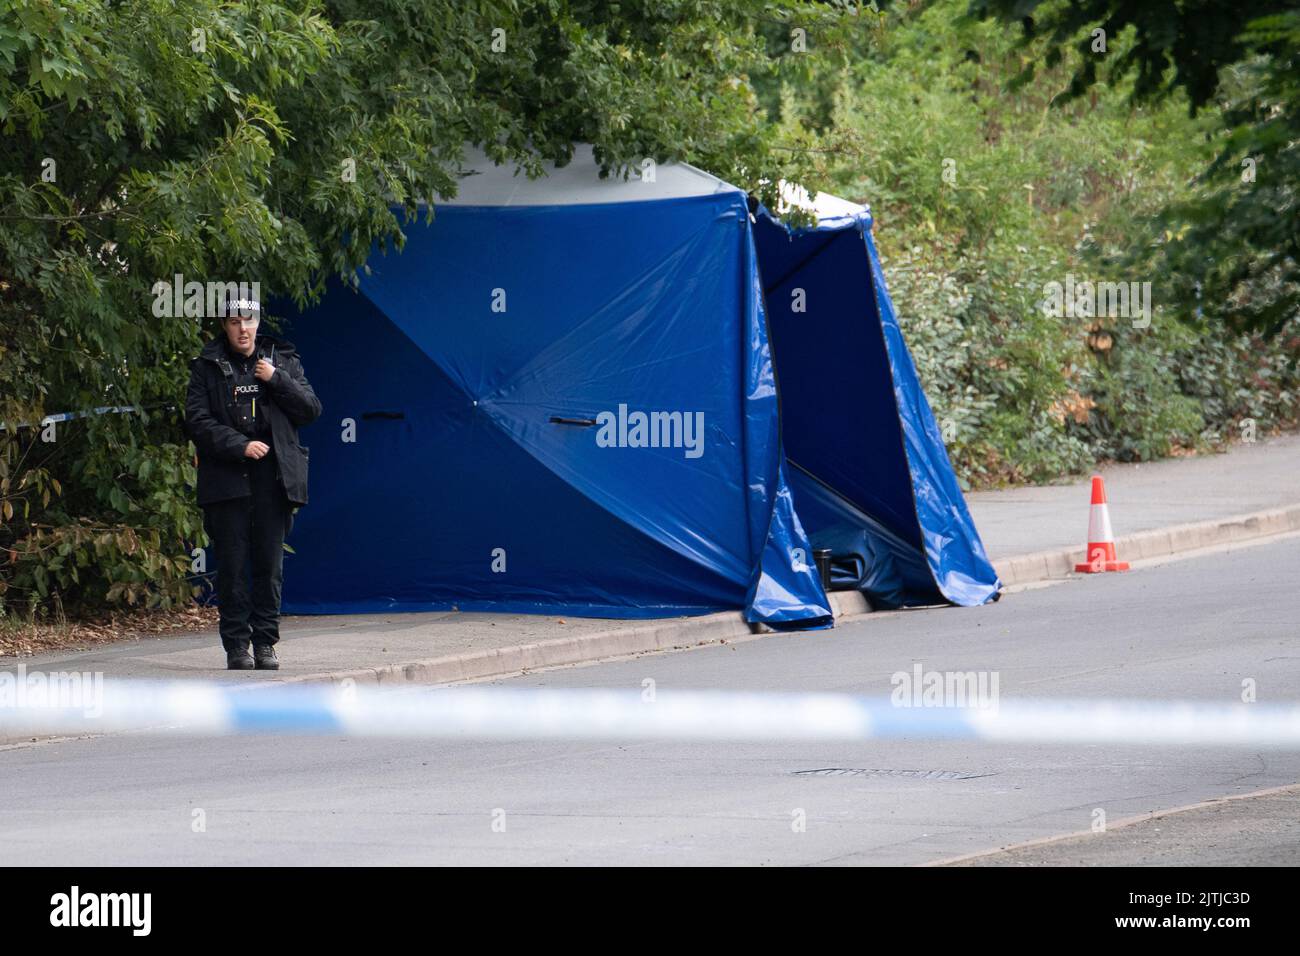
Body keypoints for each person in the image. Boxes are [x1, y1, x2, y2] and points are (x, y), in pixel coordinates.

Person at [184, 296, 321, 670]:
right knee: (232, 565)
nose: (242, 328)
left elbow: (310, 409)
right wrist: (240, 445)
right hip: (226, 480)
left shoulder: (282, 359)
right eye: (234, 321)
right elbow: (196, 421)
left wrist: (276, 379)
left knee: (268, 566)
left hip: (273, 480)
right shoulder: (206, 367)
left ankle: (265, 644)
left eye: (249, 320)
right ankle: (236, 647)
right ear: (225, 326)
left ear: (258, 323)